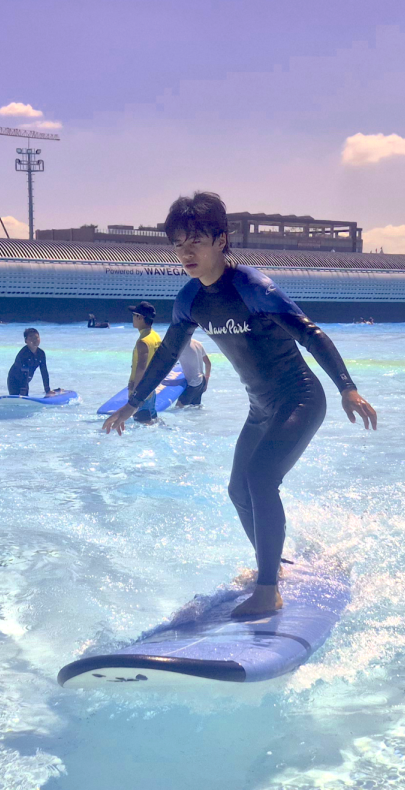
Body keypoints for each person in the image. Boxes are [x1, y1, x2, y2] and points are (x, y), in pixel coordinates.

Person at [102, 192, 377, 617]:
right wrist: (133, 403)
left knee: (261, 478)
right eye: (178, 244)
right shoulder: (189, 300)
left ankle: (268, 590)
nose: (186, 252)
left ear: (220, 240)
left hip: (299, 397)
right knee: (238, 490)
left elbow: (310, 333)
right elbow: (167, 354)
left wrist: (347, 387)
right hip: (261, 409)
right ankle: (273, 568)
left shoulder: (253, 288)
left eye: (195, 240)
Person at [126, 302, 162, 423]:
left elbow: (141, 368)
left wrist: (135, 393)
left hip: (142, 393)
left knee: (142, 429)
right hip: (151, 389)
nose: (132, 318)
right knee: (153, 422)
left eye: (134, 314)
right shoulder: (155, 336)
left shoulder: (143, 341)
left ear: (140, 317)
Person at [8, 327, 56, 397]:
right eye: (31, 338)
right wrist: (23, 390)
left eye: (36, 338)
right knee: (16, 402)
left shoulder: (41, 353)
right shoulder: (23, 354)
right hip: (14, 380)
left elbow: (44, 372)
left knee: (25, 400)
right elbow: (24, 373)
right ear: (26, 341)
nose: (34, 340)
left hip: (25, 380)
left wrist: (47, 390)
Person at [175, 337, 211, 406]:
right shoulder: (198, 343)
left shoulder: (179, 346)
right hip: (201, 381)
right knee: (195, 408)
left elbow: (169, 363)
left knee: (178, 408)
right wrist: (206, 382)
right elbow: (208, 364)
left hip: (193, 384)